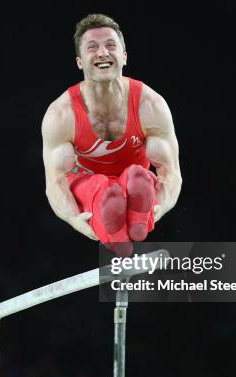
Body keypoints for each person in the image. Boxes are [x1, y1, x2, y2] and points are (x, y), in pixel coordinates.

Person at [42, 14, 182, 256]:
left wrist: (161, 206)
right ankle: (117, 211)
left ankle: (134, 207)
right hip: (88, 186)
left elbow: (171, 173)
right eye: (92, 47)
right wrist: (73, 218)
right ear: (79, 61)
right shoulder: (61, 115)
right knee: (101, 188)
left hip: (136, 189)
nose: (102, 53)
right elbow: (56, 182)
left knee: (139, 177)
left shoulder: (151, 106)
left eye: (110, 45)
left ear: (124, 56)